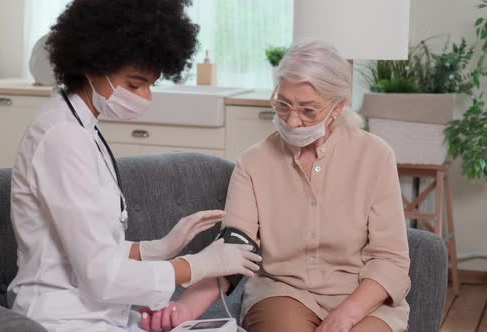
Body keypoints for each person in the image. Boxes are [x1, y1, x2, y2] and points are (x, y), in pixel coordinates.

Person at [7, 1, 262, 331]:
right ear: (94, 65)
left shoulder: (82, 128)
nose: (145, 98)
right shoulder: (62, 138)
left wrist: (158, 248)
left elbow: (91, 245)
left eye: (150, 85)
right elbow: (100, 276)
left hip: (99, 312)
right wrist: (197, 265)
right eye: (134, 84)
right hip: (61, 317)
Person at [140, 41, 411, 332]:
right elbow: (234, 250)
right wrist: (183, 309)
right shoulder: (254, 162)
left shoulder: (376, 156)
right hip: (283, 293)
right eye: (283, 105)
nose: (293, 121)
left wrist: (346, 315)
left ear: (337, 107)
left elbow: (390, 258)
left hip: (360, 295)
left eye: (308, 110)